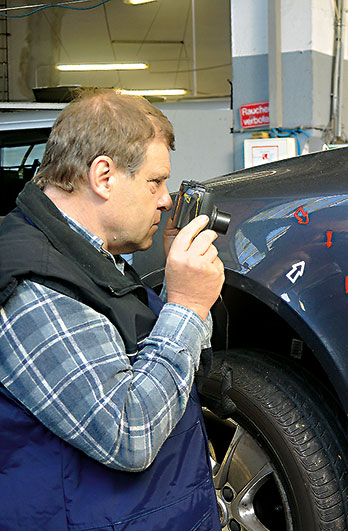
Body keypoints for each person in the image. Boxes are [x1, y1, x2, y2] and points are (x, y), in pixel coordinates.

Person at [0, 89, 224, 530]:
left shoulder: (90, 257)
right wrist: (185, 304)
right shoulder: (31, 285)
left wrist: (184, 293)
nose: (164, 200)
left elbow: (173, 362)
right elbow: (129, 433)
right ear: (103, 176)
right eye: (154, 182)